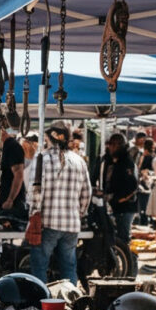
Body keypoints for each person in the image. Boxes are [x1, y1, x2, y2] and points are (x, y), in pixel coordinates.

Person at [28, 122, 92, 285]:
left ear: (51, 138)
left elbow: (35, 192)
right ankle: (70, 301)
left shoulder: (42, 159)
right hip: (71, 224)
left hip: (48, 223)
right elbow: (87, 193)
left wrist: (33, 214)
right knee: (69, 267)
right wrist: (79, 213)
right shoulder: (79, 161)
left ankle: (42, 301)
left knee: (39, 266)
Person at [105, 132, 138, 244]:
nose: (111, 147)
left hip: (125, 207)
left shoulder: (127, 162)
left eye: (115, 145)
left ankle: (130, 260)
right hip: (117, 206)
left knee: (123, 239)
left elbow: (133, 186)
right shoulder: (112, 161)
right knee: (118, 237)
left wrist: (120, 199)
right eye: (110, 144)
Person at [0, 127, 26, 216]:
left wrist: (10, 199)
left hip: (10, 203)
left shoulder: (13, 147)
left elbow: (18, 175)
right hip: (0, 200)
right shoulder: (1, 146)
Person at [136, 137, 155, 226]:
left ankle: (144, 223)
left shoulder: (143, 156)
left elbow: (139, 169)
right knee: (147, 206)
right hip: (150, 185)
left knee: (143, 206)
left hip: (143, 185)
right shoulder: (154, 157)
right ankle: (147, 221)